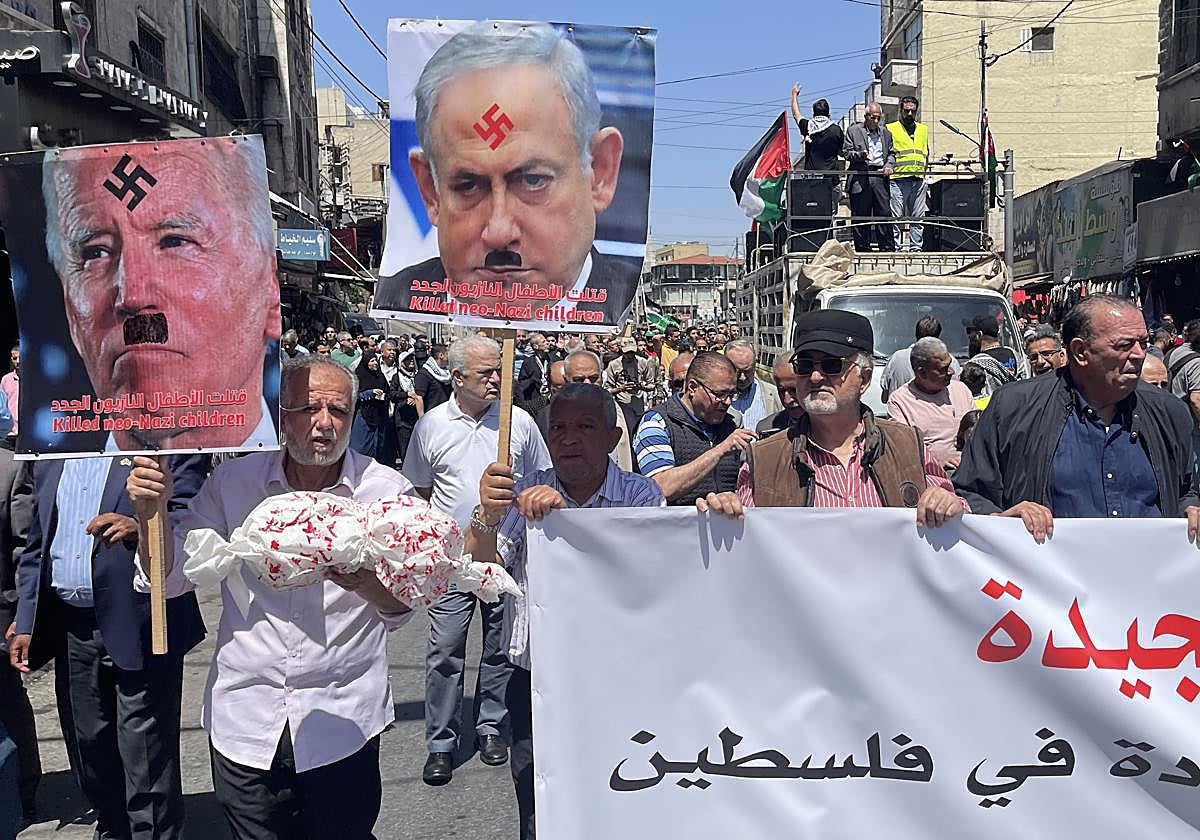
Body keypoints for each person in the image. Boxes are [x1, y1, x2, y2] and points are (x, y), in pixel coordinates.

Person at [125, 356, 415, 840]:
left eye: (338, 411)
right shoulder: (234, 483)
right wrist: (149, 516)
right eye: (308, 409)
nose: (324, 424)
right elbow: (168, 579)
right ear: (282, 416)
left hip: (342, 722)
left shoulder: (386, 491)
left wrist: (361, 578)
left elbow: (403, 604)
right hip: (245, 719)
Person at [467, 383, 666, 840]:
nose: (568, 438)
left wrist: (571, 526)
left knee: (621, 797)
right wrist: (486, 515)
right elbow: (483, 568)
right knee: (540, 801)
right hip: (538, 681)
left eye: (584, 427)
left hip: (619, 681)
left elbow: (644, 578)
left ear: (613, 438)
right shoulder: (521, 494)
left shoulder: (641, 497)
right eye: (558, 427)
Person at [373, 22, 638, 324]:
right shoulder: (399, 300)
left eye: (533, 181)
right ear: (430, 191)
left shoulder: (628, 309)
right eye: (468, 185)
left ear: (600, 172)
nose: (499, 233)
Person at [10, 453, 208, 840]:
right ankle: (114, 829)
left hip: (142, 621)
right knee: (89, 750)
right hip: (71, 628)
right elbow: (38, 539)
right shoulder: (54, 448)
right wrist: (27, 616)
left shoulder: (163, 442)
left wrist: (143, 523)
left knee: (146, 757)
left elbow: (192, 522)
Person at [43, 139, 281, 451]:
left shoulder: (306, 476)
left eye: (174, 242)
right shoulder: (52, 476)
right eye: (96, 252)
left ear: (270, 291)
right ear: (68, 305)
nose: (132, 297)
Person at [402, 336, 552, 787]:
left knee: (499, 648)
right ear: (457, 377)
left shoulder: (518, 423)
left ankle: (490, 725)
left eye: (500, 372)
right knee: (445, 650)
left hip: (505, 554)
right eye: (487, 373)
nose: (496, 380)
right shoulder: (431, 427)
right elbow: (420, 491)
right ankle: (442, 742)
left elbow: (541, 477)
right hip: (451, 559)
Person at [954, 295, 1200, 542]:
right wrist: (1002, 519)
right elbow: (971, 493)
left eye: (1143, 343)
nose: (1139, 355)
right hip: (1047, 576)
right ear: (1080, 352)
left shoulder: (1170, 412)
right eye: (1124, 345)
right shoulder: (1012, 409)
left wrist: (1189, 509)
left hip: (1145, 575)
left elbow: (1185, 490)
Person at [733, 309, 966, 526]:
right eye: (804, 365)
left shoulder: (909, 446)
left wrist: (949, 505)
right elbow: (745, 545)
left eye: (831, 365)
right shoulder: (763, 459)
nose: (815, 376)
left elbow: (960, 520)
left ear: (864, 379)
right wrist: (724, 515)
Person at [632, 352, 755, 505]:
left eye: (732, 393)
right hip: (672, 526)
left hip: (722, 526)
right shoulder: (656, 423)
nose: (728, 402)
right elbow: (661, 487)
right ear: (692, 387)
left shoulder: (730, 424)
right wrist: (719, 450)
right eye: (720, 394)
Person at [0, 448, 34, 826]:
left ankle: (22, 798)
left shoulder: (10, 467)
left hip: (1, 617)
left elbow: (26, 546)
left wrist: (24, 613)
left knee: (7, 713)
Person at [885, 337, 976, 470]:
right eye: (943, 369)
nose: (951, 372)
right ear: (922, 373)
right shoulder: (900, 402)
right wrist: (938, 463)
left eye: (950, 365)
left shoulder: (960, 390)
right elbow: (903, 454)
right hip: (931, 478)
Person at [842, 102, 895, 252]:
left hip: (880, 175)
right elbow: (846, 152)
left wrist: (889, 165)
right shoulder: (853, 131)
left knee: (883, 212)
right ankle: (862, 247)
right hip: (861, 175)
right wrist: (861, 155)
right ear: (866, 117)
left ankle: (887, 247)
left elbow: (891, 153)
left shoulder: (886, 133)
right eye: (873, 117)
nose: (876, 121)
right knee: (860, 213)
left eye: (879, 118)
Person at [878, 315, 961, 401]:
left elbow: (884, 398)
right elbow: (956, 397)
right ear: (938, 335)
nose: (950, 371)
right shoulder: (951, 361)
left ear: (916, 333)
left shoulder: (897, 358)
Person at [886, 95, 929, 252]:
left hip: (918, 180)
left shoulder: (923, 130)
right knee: (896, 217)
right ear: (901, 111)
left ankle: (916, 248)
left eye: (913, 111)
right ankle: (897, 248)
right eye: (906, 111)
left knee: (918, 217)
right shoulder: (891, 128)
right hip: (898, 179)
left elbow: (926, 153)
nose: (909, 114)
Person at [350, 355, 399, 466]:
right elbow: (352, 395)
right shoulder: (359, 377)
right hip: (364, 415)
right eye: (372, 361)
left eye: (376, 361)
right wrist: (369, 393)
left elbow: (388, 392)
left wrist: (384, 396)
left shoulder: (380, 376)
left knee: (378, 446)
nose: (375, 363)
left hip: (379, 415)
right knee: (361, 446)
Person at [604, 337, 656, 430]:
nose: (630, 355)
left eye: (632, 352)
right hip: (621, 404)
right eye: (627, 353)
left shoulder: (643, 362)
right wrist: (621, 388)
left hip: (638, 405)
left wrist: (641, 387)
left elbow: (651, 385)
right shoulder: (614, 364)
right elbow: (607, 390)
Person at [791, 89, 844, 176]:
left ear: (813, 114)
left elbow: (796, 114)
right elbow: (841, 151)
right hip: (830, 179)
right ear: (829, 115)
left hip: (811, 179)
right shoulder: (836, 130)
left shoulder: (807, 126)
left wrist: (794, 95)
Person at [756, 354, 804, 439]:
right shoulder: (767, 429)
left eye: (794, 390)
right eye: (781, 391)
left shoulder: (832, 428)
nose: (787, 400)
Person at [966, 315, 1018, 394]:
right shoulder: (1013, 353)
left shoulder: (976, 363)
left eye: (970, 332)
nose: (969, 336)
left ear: (979, 335)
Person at [724, 339, 768, 431]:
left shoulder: (772, 394)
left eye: (747, 371)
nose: (742, 378)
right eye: (737, 371)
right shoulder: (713, 396)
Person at [515, 333, 553, 417]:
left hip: (550, 399)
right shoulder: (528, 363)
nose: (547, 343)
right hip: (535, 401)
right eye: (543, 342)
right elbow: (521, 384)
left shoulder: (552, 360)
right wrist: (534, 379)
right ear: (536, 346)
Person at [412, 343, 453, 416]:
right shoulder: (424, 374)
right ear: (441, 355)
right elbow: (418, 397)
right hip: (432, 416)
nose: (450, 357)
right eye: (447, 354)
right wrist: (422, 419)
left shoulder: (447, 373)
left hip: (447, 414)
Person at [0, 347, 17, 441]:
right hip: (9, 433)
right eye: (15, 358)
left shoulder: (33, 380)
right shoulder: (6, 379)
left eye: (21, 358)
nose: (18, 361)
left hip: (28, 432)